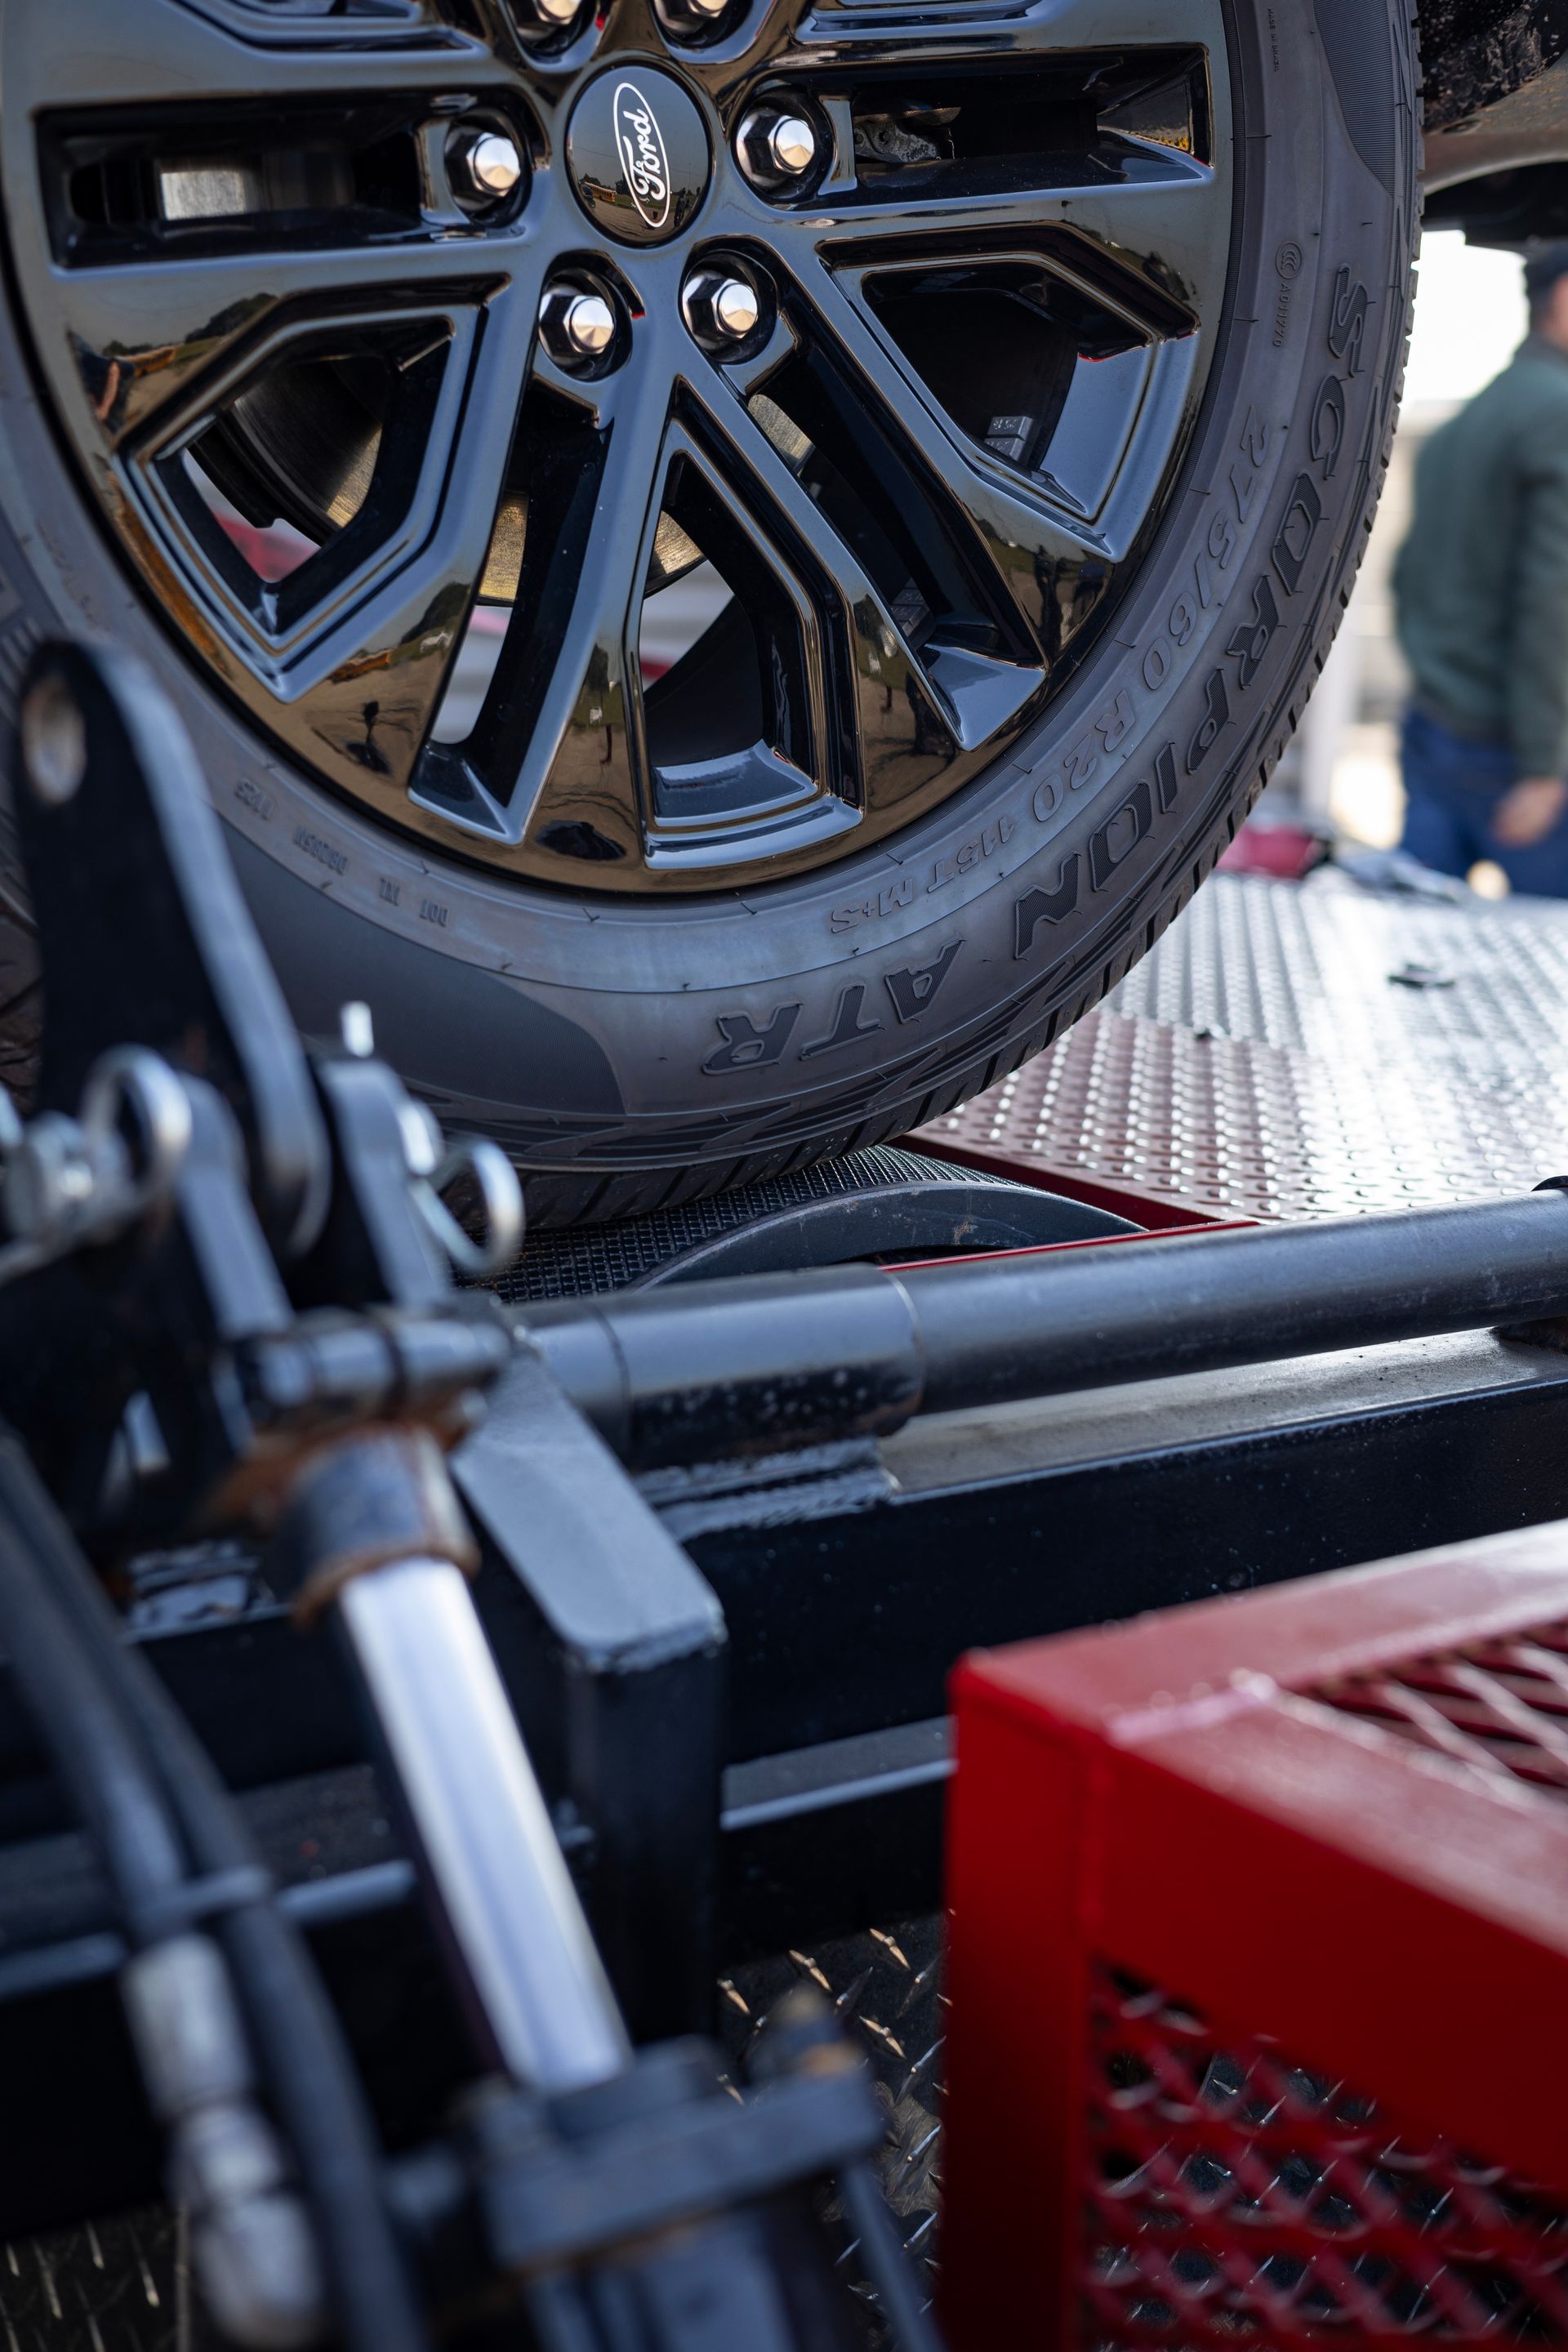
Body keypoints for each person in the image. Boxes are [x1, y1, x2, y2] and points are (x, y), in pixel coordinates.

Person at [1392, 240, 1568, 893]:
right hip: (1516, 750)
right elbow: (1554, 605)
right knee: (1544, 972)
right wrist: (1546, 768)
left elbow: (1407, 577)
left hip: (1434, 723)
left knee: (1421, 948)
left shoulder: (1469, 421)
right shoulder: (1557, 415)